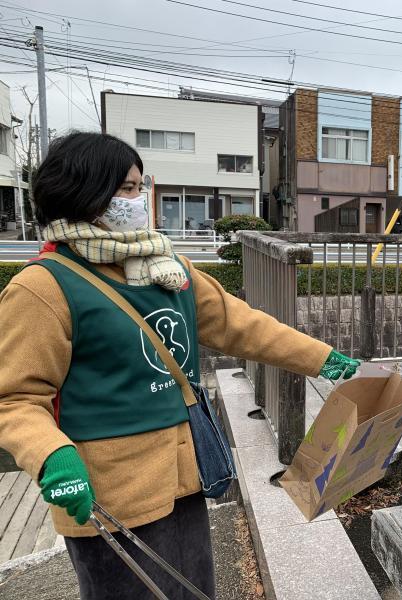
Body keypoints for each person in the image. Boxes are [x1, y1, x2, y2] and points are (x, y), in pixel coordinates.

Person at [0, 132, 360, 599]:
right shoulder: (43, 287)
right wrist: (51, 456)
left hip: (184, 477)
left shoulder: (166, 267)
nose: (139, 198)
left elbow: (241, 325)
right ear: (84, 193)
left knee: (194, 590)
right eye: (127, 189)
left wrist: (323, 359)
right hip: (109, 491)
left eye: (138, 186)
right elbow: (15, 397)